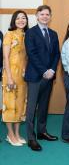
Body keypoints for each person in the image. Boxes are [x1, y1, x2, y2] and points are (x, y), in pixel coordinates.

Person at [25, 5, 60, 151]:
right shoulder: (30, 33)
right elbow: (32, 54)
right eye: (42, 14)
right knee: (32, 108)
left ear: (50, 17)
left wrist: (51, 70)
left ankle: (42, 132)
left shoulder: (53, 33)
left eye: (47, 14)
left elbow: (56, 54)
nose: (45, 16)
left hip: (49, 76)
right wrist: (44, 70)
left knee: (44, 106)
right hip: (35, 76)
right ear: (37, 16)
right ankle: (31, 138)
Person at [2, 10, 29, 146]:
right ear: (14, 20)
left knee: (20, 105)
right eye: (18, 18)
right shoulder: (9, 35)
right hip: (10, 75)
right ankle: (10, 134)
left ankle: (17, 133)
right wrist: (10, 78)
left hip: (23, 77)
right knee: (10, 106)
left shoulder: (26, 35)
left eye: (23, 18)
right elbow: (5, 57)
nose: (21, 20)